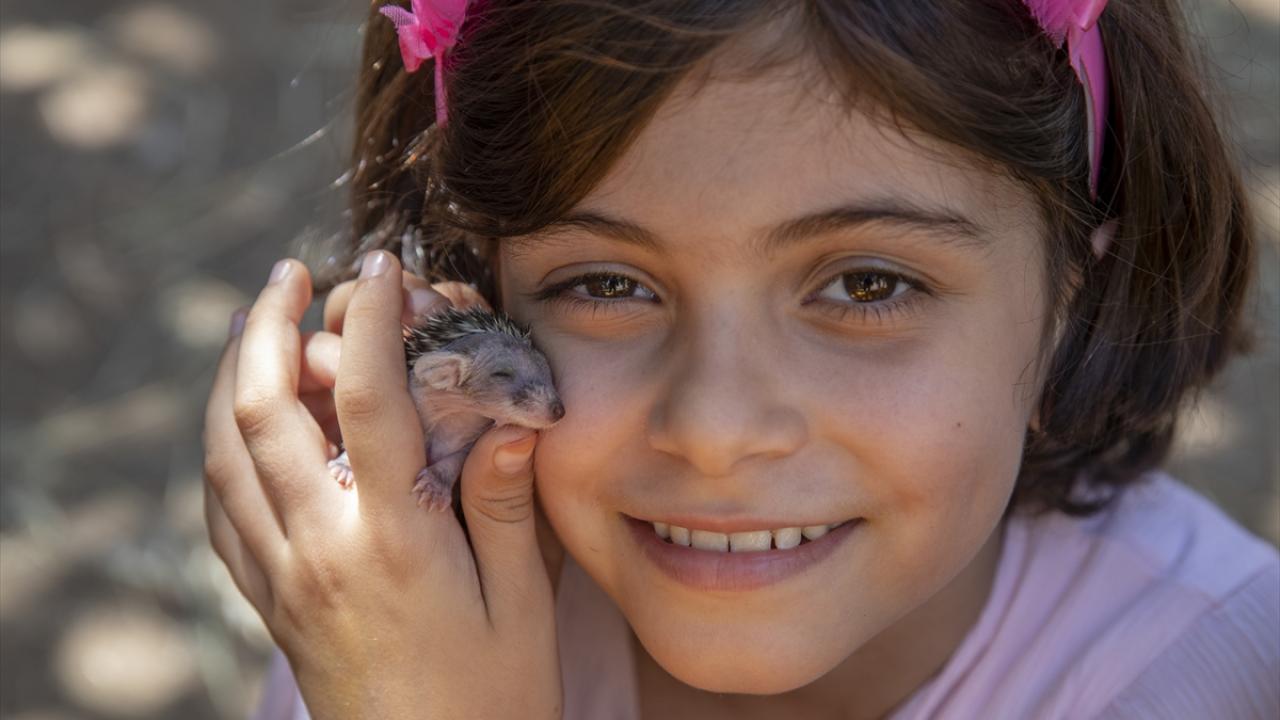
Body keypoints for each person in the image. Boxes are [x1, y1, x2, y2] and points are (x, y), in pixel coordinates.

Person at [202, 1, 1280, 718]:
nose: (716, 431)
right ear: (470, 301)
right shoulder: (390, 630)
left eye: (868, 284)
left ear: (1065, 307)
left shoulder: (1208, 677)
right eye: (607, 285)